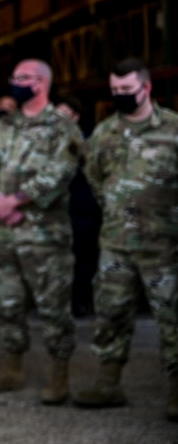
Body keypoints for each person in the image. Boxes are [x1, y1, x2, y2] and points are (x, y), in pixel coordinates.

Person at [74, 58, 178, 422]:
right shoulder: (104, 133)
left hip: (164, 245)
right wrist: (121, 208)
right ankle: (108, 383)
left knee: (171, 317)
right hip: (116, 244)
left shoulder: (172, 129)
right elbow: (96, 177)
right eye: (114, 90)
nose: (120, 96)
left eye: (127, 90)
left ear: (146, 88)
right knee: (111, 313)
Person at [0, 59, 83, 404]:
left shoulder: (62, 128)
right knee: (6, 303)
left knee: (53, 306)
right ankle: (13, 366)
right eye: (14, 76)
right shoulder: (3, 126)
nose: (15, 82)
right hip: (1, 233)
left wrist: (17, 201)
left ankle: (58, 373)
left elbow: (60, 171)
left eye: (21, 77)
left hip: (43, 235)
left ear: (41, 83)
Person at [56, 96, 102, 317]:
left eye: (65, 115)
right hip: (56, 213)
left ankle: (80, 301)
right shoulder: (46, 146)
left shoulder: (85, 144)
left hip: (81, 212)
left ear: (76, 117)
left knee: (81, 259)